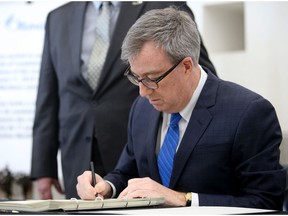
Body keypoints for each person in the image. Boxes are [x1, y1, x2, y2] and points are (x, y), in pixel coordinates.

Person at [76, 7, 286, 210]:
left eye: (151, 79)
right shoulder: (142, 109)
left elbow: (265, 202)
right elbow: (127, 173)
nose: (142, 92)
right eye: (136, 77)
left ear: (186, 66)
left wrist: (184, 199)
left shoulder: (249, 113)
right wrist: (106, 187)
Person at [30, 2, 217, 199]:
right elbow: (47, 94)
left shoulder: (163, 5)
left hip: (139, 149)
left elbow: (198, 74)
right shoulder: (58, 17)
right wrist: (44, 166)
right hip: (78, 152)